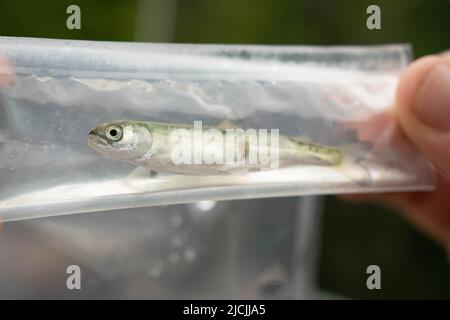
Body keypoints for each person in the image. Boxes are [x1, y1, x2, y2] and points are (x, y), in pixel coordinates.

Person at [0, 53, 449, 253]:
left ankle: (336, 156)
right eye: (112, 135)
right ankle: (338, 157)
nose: (108, 139)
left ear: (137, 134)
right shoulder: (146, 160)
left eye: (115, 134)